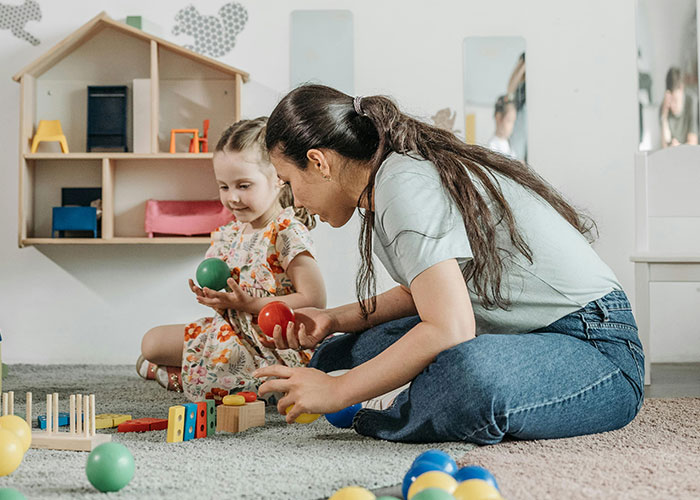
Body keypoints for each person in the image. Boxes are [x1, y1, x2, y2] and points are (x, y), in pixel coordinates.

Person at [253, 84, 644, 445]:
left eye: (288, 182)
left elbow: (449, 327)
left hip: (595, 347)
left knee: (467, 375)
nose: (294, 200)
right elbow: (422, 294)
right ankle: (396, 392)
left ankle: (397, 404)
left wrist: (338, 391)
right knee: (350, 353)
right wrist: (332, 319)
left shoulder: (403, 186)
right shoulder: (388, 181)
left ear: (319, 162)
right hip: (516, 331)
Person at [137, 117, 326, 403]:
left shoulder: (285, 231)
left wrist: (251, 305)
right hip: (229, 330)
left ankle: (192, 377)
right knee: (151, 342)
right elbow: (228, 289)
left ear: (277, 179)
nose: (232, 198)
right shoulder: (231, 232)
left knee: (231, 370)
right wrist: (216, 298)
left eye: (244, 185)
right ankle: (198, 374)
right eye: (224, 187)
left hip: (270, 341)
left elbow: (315, 298)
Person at [660, 67, 698, 148]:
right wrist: (664, 116)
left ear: (682, 89)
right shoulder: (664, 107)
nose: (672, 106)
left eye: (675, 100)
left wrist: (679, 148)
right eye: (671, 101)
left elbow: (693, 143)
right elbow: (665, 147)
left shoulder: (691, 101)